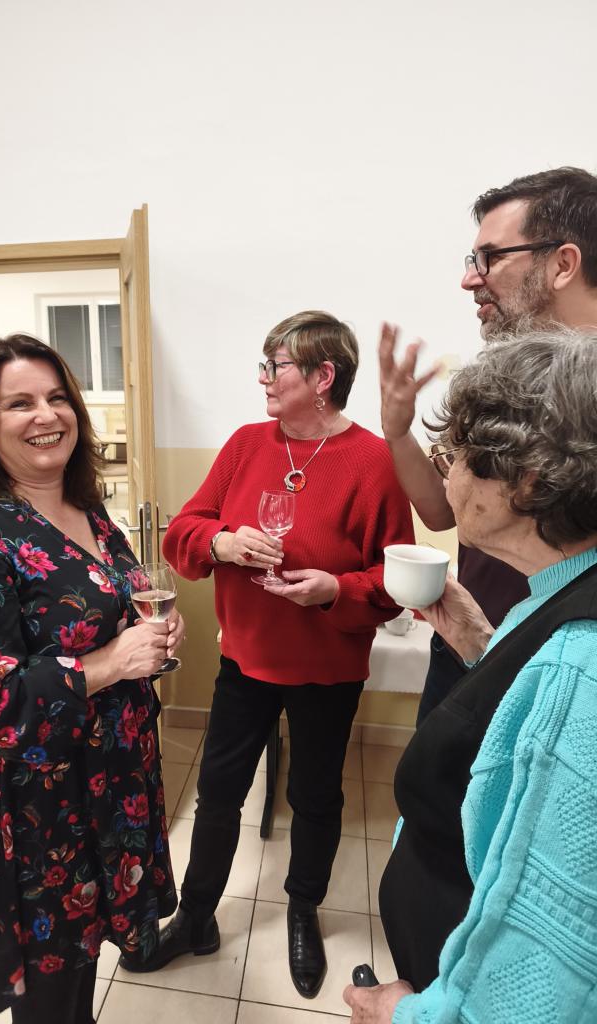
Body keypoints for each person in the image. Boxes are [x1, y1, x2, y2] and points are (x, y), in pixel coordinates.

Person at [119, 310, 414, 998]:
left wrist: (333, 589)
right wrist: (222, 543)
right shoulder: (246, 444)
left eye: (274, 366)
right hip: (244, 662)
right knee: (218, 795)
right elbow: (183, 532)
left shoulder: (374, 461)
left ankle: (303, 910)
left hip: (327, 672)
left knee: (314, 797)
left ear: (322, 376)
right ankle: (196, 916)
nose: (263, 380)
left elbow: (395, 581)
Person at [0, 334, 182, 1023]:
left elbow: (117, 605)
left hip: (109, 780)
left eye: (58, 397)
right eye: (20, 403)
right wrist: (112, 662)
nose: (46, 415)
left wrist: (151, 633)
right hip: (36, 808)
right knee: (52, 995)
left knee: (81, 975)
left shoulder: (89, 511)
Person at [345, 330, 597, 1023]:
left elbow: (545, 972)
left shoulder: (582, 664)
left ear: (529, 482)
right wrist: (481, 646)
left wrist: (405, 1015)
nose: (446, 475)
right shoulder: (556, 593)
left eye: (452, 456)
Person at [379, 166, 597, 725]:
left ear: (563, 264)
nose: (469, 279)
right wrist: (398, 431)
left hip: (562, 677)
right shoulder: (502, 383)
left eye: (490, 258)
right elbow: (443, 512)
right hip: (467, 640)